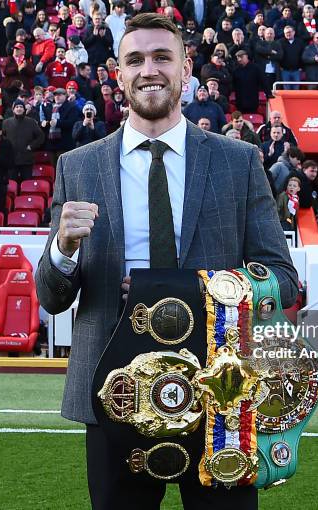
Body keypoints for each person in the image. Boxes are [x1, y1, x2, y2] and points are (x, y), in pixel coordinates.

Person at [34, 13, 298, 510]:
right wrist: (63, 250)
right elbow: (52, 297)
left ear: (186, 69)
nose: (148, 70)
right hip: (116, 394)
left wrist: (197, 291)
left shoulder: (238, 161)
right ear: (118, 74)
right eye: (135, 60)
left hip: (221, 395)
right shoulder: (78, 166)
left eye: (162, 57)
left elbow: (282, 280)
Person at [1, 99, 44, 182]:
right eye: (17, 107)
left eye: (21, 107)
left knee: (27, 184)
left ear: (24, 109)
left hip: (26, 159)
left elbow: (40, 136)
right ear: (13, 109)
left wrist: (31, 146)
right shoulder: (6, 123)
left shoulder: (31, 122)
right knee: (12, 184)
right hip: (11, 160)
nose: (19, 109)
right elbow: (2, 138)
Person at [279, 25, 305, 90]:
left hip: (297, 71)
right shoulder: (280, 42)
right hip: (284, 71)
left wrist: (301, 67)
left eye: (289, 32)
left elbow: (303, 55)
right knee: (286, 90)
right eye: (286, 33)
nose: (288, 34)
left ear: (294, 32)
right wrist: (280, 66)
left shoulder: (300, 42)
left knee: (296, 90)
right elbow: (278, 55)